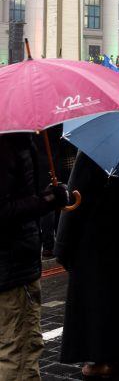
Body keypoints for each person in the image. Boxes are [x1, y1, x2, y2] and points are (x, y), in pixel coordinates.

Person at [56, 153, 119, 378]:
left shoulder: (95, 149)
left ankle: (103, 358)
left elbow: (77, 196)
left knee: (99, 295)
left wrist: (62, 245)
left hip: (97, 231)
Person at [0, 134, 67, 379]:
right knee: (19, 347)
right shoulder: (7, 144)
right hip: (12, 265)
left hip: (15, 261)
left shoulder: (17, 140)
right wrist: (45, 200)